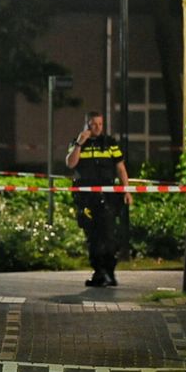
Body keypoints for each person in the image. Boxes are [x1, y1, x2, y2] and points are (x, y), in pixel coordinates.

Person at [65, 111, 131, 287]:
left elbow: (120, 168)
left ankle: (109, 272)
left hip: (107, 197)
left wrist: (127, 191)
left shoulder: (109, 143)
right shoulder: (78, 143)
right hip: (86, 199)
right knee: (93, 236)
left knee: (109, 235)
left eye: (100, 124)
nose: (97, 127)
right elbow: (70, 163)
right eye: (93, 124)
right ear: (86, 124)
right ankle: (99, 272)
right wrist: (80, 143)